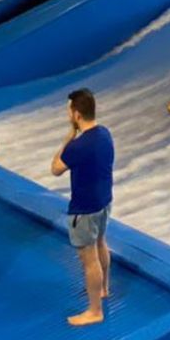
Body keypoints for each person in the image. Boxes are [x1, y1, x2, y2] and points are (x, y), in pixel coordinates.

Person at [51, 88, 115, 327]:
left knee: (89, 261)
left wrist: (69, 136)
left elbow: (55, 168)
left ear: (76, 114)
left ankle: (95, 311)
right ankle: (104, 288)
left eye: (69, 111)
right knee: (101, 243)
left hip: (85, 208)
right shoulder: (104, 133)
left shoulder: (78, 146)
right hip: (104, 201)